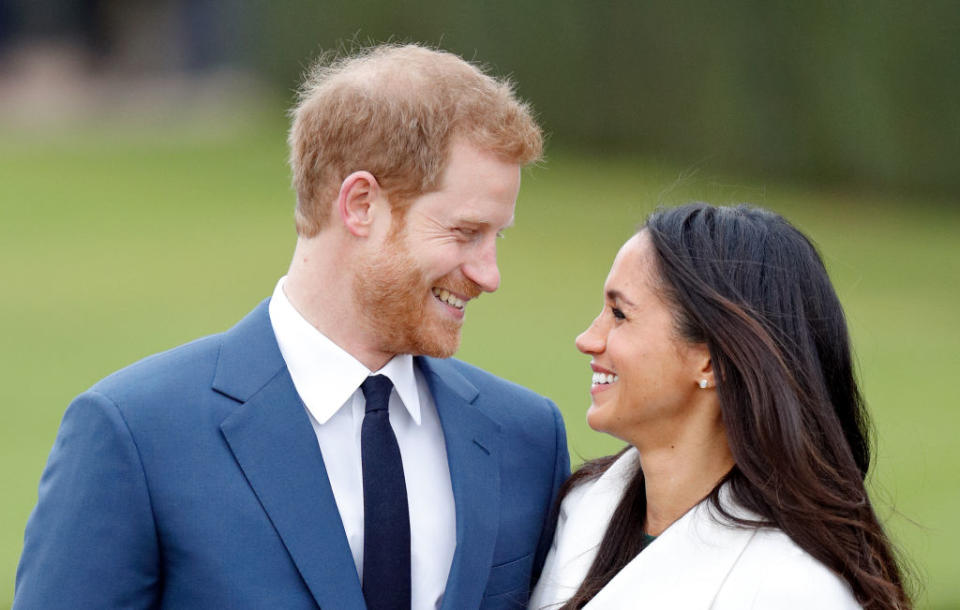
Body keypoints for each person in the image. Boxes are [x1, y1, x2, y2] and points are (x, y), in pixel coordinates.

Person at [15, 44, 569, 610]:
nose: (490, 274)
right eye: (464, 232)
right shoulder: (135, 435)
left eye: (497, 237)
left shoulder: (526, 439)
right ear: (360, 205)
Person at [529, 203, 911, 609]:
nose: (587, 339)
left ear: (710, 360)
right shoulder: (580, 509)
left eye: (620, 314)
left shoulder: (796, 590)